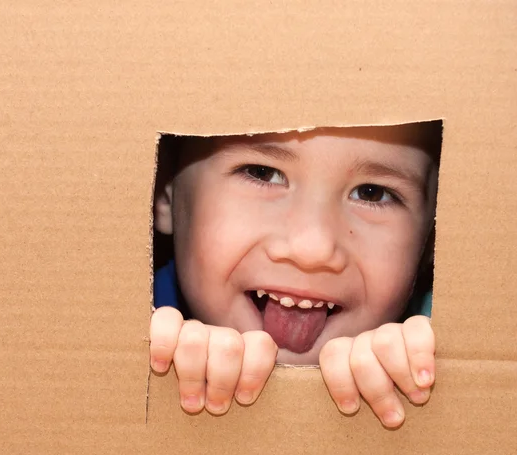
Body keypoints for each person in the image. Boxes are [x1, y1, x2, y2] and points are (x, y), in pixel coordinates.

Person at [149, 122, 441, 428]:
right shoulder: (130, 311)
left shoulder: (433, 338)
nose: (312, 249)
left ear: (432, 240)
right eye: (261, 172)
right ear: (164, 192)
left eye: (373, 193)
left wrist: (414, 367)